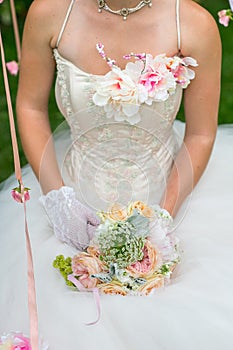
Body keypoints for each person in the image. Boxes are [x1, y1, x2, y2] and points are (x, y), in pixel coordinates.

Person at [0, 0, 233, 349]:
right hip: (72, 187)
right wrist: (59, 199)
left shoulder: (193, 24)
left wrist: (163, 217)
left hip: (169, 191)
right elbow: (31, 107)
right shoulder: (51, 12)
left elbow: (200, 134)